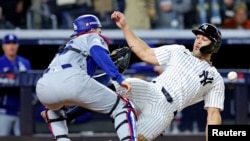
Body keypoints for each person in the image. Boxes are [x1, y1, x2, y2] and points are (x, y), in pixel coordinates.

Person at [111, 11, 225, 141]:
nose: (198, 41)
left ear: (213, 46)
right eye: (197, 37)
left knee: (133, 139)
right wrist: (125, 27)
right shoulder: (179, 50)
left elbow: (213, 114)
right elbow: (145, 53)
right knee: (106, 88)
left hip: (164, 110)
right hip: (148, 90)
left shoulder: (215, 78)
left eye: (204, 39)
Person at [35, 14, 137, 141]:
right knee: (123, 106)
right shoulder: (92, 36)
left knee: (53, 111)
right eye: (99, 29)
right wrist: (118, 77)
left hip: (44, 87)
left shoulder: (68, 46)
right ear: (94, 29)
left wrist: (107, 76)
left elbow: (86, 81)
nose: (100, 32)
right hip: (72, 81)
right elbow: (97, 53)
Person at [0, 33, 32, 136]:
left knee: (25, 138)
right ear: (3, 46)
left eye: (14, 43)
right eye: (8, 43)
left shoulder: (25, 63)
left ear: (18, 45)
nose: (11, 46)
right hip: (4, 112)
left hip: (22, 112)